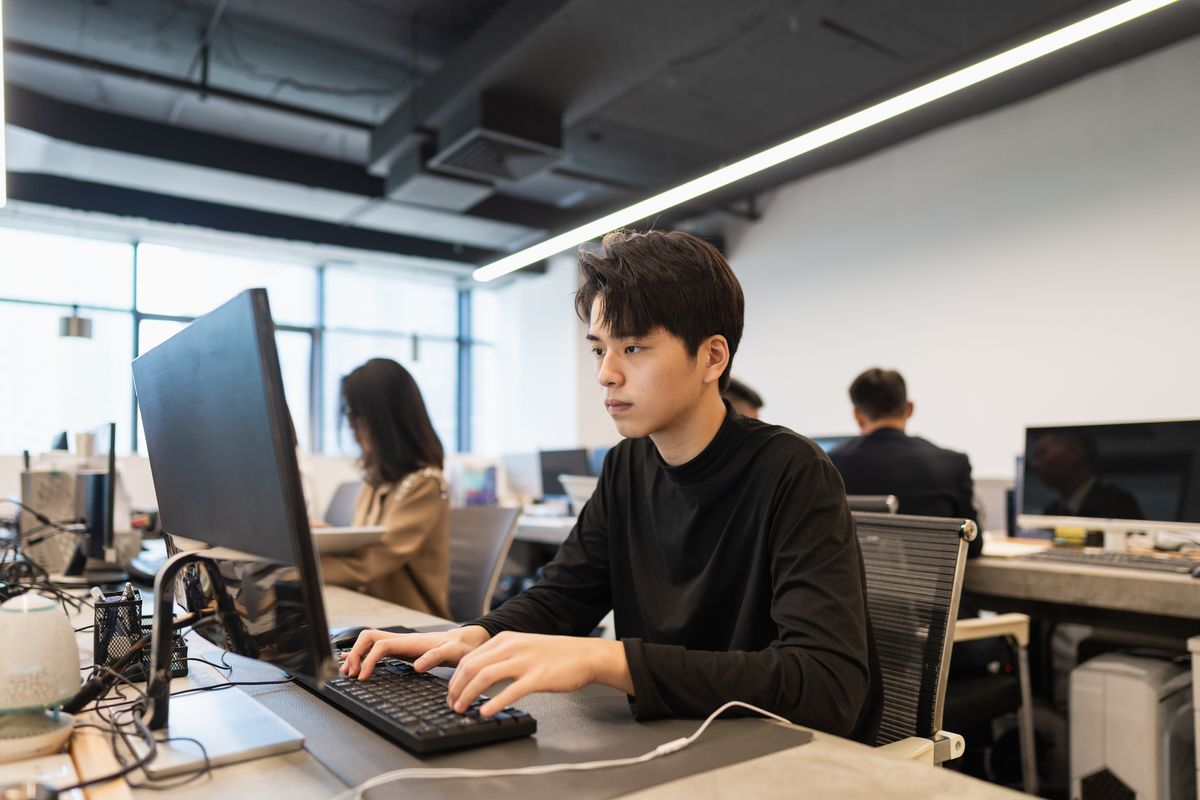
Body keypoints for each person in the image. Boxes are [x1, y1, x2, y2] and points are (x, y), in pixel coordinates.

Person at [340, 229, 882, 742]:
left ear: (712, 357)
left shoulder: (792, 470)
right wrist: (471, 636)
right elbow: (564, 596)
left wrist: (606, 659)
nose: (606, 374)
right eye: (600, 349)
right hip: (671, 738)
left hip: (773, 754)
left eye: (634, 348)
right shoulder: (627, 465)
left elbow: (828, 685)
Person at [318, 358, 451, 617]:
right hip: (371, 610)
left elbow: (371, 562)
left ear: (384, 421)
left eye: (356, 415)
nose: (351, 426)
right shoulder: (374, 482)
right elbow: (363, 545)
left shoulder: (425, 484)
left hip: (412, 621)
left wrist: (299, 570)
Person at [829, 368, 981, 557]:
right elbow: (972, 545)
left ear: (858, 416)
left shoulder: (830, 465)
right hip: (929, 586)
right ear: (909, 409)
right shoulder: (951, 463)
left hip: (852, 586)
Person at [1031, 431, 1143, 520]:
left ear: (1075, 452)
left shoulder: (1118, 504)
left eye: (1042, 454)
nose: (1035, 464)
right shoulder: (1051, 512)